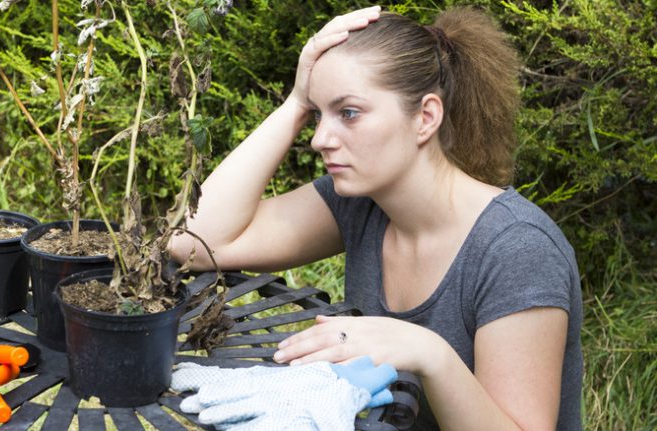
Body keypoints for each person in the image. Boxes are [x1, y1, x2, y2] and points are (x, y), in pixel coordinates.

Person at [169, 5, 583, 431]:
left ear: (425, 117)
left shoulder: (517, 249)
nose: (319, 139)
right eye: (317, 115)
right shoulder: (363, 202)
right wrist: (295, 102)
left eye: (348, 113)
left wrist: (430, 353)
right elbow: (192, 242)